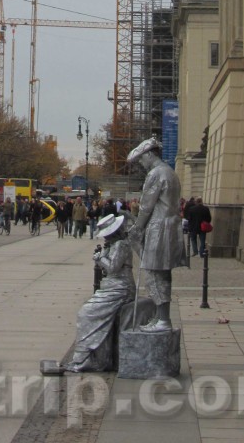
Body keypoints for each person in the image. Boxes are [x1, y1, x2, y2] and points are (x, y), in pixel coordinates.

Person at [126, 137, 185, 332]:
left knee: (153, 273)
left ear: (149, 154)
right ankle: (161, 317)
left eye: (142, 160)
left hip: (159, 229)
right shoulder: (170, 172)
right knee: (162, 274)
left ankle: (163, 320)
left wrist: (137, 228)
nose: (141, 165)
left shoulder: (156, 173)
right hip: (169, 227)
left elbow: (146, 206)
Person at [63, 214, 135, 372]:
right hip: (112, 287)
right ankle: (91, 356)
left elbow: (113, 268)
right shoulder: (113, 245)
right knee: (86, 312)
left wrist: (99, 258)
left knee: (86, 313)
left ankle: (88, 358)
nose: (104, 239)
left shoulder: (121, 245)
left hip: (121, 288)